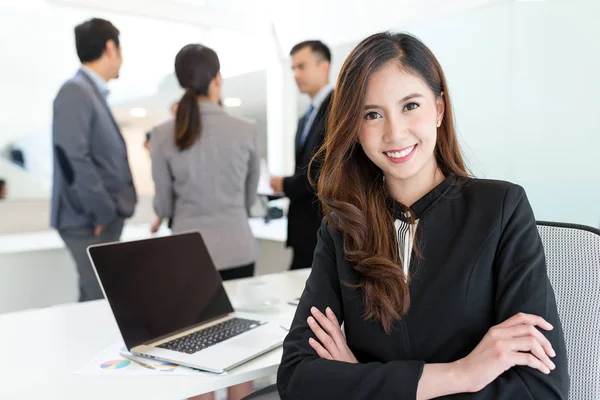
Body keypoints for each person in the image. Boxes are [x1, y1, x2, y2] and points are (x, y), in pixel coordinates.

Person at [277, 32, 569, 399]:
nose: (394, 133)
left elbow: (540, 390)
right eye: (372, 114)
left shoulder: (501, 208)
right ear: (354, 128)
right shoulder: (341, 226)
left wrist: (361, 380)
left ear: (439, 110)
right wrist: (461, 374)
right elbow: (297, 378)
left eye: (410, 105)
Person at [150, 44, 259, 400]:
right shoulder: (245, 130)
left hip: (187, 255)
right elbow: (247, 199)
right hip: (237, 248)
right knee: (238, 350)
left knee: (194, 355)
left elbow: (164, 203)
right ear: (217, 79)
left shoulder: (163, 134)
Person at [51, 18, 136, 302]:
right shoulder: (76, 90)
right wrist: (99, 210)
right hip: (88, 219)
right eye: (121, 50)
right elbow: (72, 157)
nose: (122, 59)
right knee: (101, 303)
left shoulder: (89, 92)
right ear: (110, 48)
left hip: (96, 217)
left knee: (96, 301)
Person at [269, 40, 333, 270]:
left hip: (323, 227)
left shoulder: (337, 109)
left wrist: (283, 184)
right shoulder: (306, 117)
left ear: (323, 67)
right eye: (293, 68)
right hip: (304, 230)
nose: (296, 74)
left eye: (301, 66)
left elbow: (323, 172)